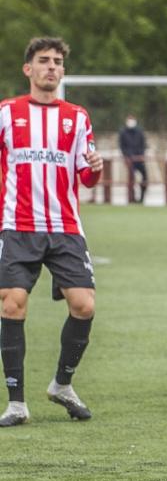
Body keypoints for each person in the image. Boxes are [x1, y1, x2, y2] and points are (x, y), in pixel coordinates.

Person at [0, 37, 103, 427]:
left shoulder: (77, 117)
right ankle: (16, 403)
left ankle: (62, 384)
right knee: (12, 304)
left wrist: (95, 166)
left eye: (57, 62)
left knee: (84, 305)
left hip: (64, 228)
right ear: (28, 69)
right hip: (18, 225)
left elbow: (87, 177)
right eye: (43, 61)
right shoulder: (7, 112)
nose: (51, 67)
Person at [118, 113, 148, 204]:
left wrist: (142, 155)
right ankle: (132, 198)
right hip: (130, 159)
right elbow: (122, 146)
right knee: (131, 179)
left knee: (145, 177)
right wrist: (126, 156)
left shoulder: (139, 131)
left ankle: (142, 198)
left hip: (139, 159)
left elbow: (143, 144)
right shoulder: (123, 132)